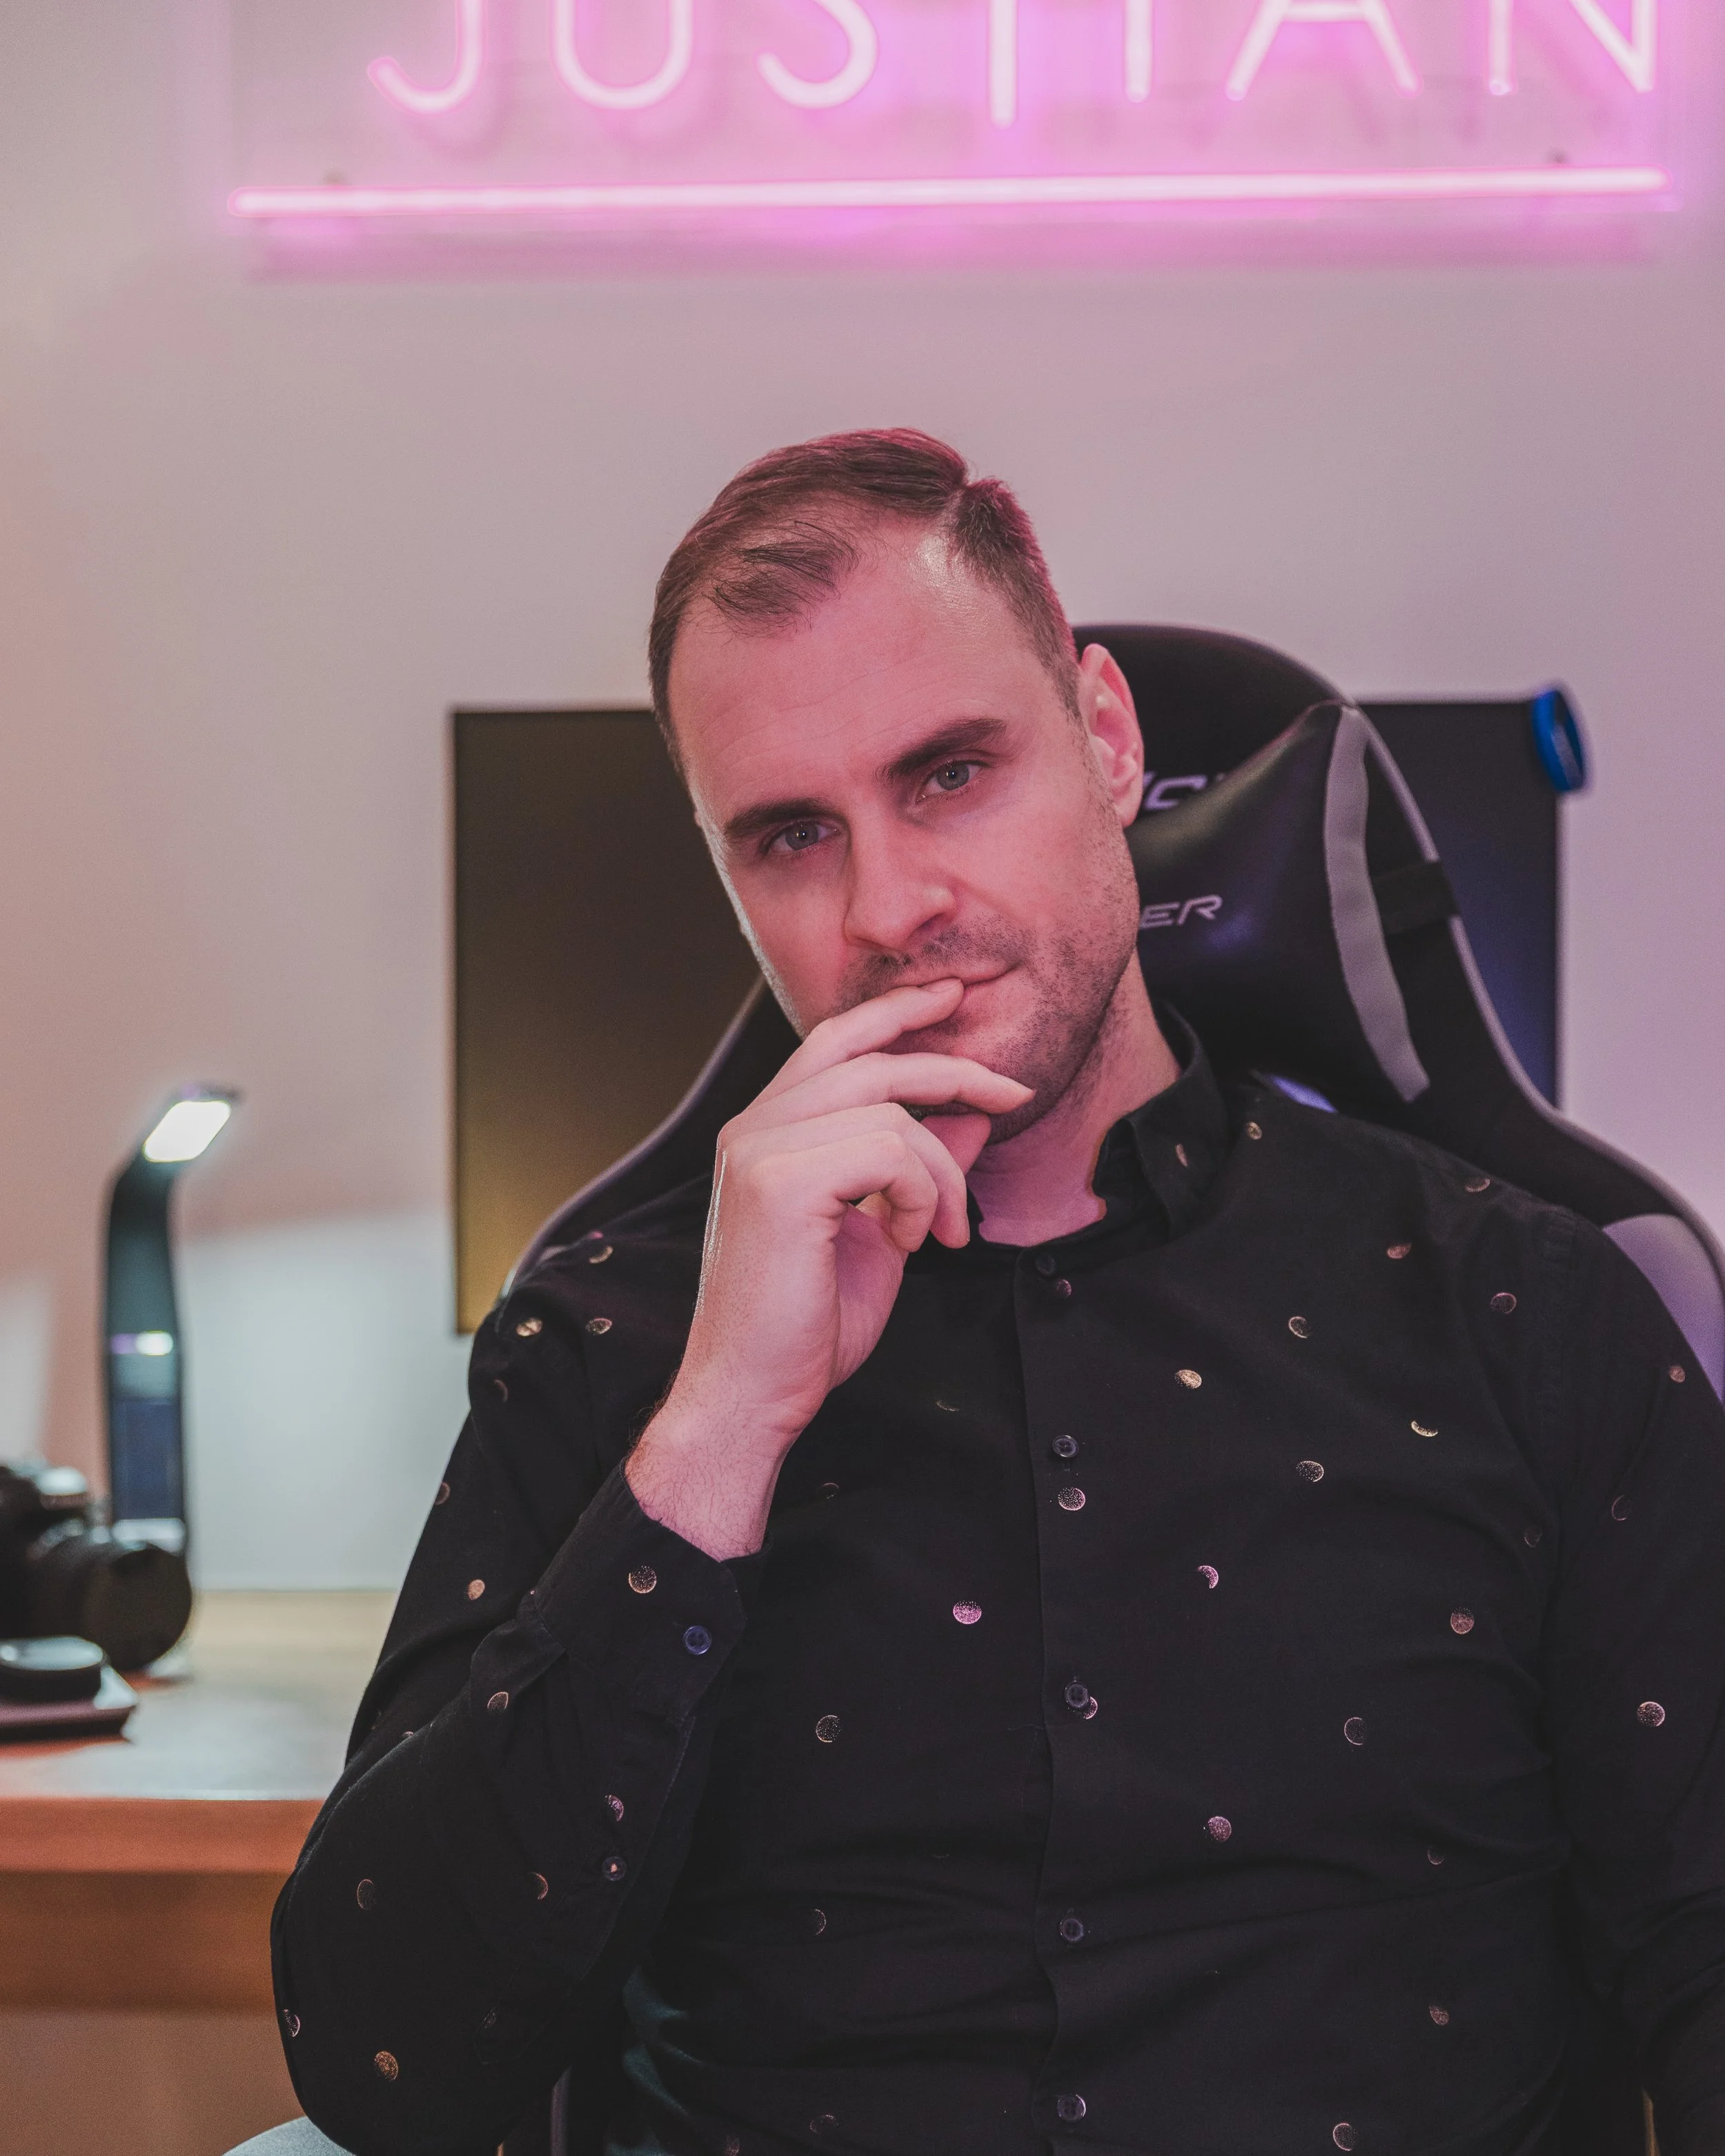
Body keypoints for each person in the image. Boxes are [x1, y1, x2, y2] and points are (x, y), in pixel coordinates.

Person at [270, 431, 1725, 2156]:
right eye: (791, 835)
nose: (889, 906)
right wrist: (720, 1425)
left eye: (949, 773)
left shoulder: (1520, 1309)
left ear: (1106, 740)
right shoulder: (613, 1348)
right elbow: (382, 2066)